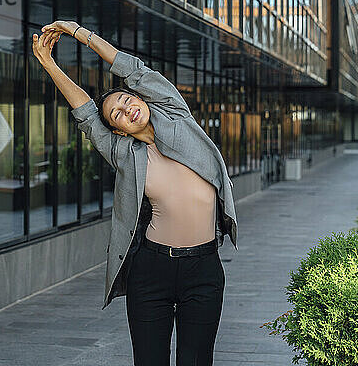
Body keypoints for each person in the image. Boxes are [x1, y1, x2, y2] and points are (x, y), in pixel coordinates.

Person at [32, 20, 238, 366]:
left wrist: (80, 33)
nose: (127, 109)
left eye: (127, 99)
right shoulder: (125, 155)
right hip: (151, 271)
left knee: (197, 360)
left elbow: (135, 71)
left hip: (204, 269)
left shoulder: (176, 116)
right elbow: (85, 114)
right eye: (118, 114)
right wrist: (50, 65)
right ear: (119, 131)